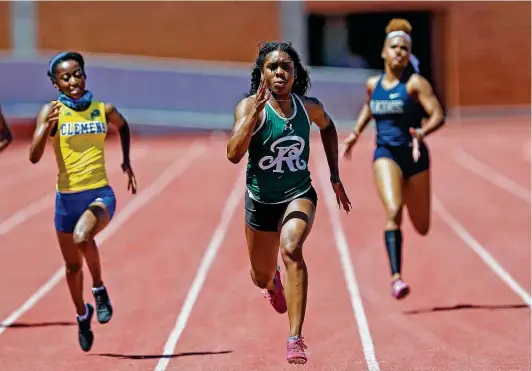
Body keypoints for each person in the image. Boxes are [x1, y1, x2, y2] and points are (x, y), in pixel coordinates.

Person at [226, 41, 351, 365]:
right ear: (262, 74)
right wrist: (253, 114)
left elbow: (328, 126)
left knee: (292, 246)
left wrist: (335, 176)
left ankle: (295, 338)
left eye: (286, 67)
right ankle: (272, 282)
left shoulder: (308, 107)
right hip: (261, 201)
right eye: (272, 67)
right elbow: (232, 155)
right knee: (260, 275)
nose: (280, 72)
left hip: (299, 193)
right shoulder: (248, 107)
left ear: (296, 74)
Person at [29, 51, 137, 352]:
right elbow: (34, 157)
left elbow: (123, 125)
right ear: (56, 83)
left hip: (99, 193)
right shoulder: (52, 112)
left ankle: (99, 289)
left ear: (85, 75)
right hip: (66, 200)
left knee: (83, 236)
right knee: (72, 267)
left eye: (78, 74)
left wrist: (126, 163)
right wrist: (42, 129)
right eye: (66, 77)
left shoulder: (103, 109)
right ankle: (82, 314)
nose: (73, 80)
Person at [342, 19, 445, 300]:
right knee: (393, 209)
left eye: (404, 48)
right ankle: (396, 277)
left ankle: (410, 190)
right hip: (385, 153)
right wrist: (355, 133)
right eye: (394, 47)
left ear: (408, 54)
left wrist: (423, 131)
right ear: (384, 53)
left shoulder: (415, 84)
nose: (399, 51)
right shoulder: (372, 83)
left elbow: (438, 113)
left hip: (415, 155)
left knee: (422, 227)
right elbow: (369, 106)